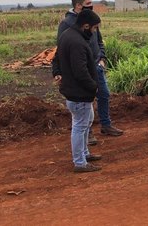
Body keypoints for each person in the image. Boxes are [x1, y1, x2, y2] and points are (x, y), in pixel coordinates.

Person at [54, 0, 124, 145]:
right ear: (78, 5)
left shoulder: (90, 19)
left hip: (96, 66)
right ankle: (88, 132)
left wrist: (102, 57)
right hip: (81, 69)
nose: (91, 6)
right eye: (88, 3)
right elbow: (60, 50)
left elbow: (99, 40)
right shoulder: (67, 24)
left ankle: (106, 125)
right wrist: (58, 71)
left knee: (103, 95)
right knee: (86, 100)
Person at [53, 10, 103, 173]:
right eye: (94, 28)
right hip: (79, 93)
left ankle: (84, 154)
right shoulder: (77, 43)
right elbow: (80, 71)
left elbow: (57, 59)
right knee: (80, 126)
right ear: (86, 26)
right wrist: (94, 86)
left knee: (86, 121)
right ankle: (80, 163)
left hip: (75, 92)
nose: (94, 31)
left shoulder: (67, 35)